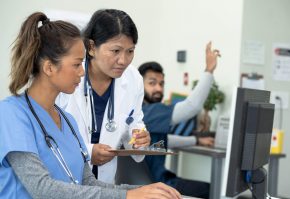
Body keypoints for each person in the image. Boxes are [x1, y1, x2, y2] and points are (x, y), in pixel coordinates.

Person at [0, 12, 182, 199]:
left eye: (130, 51)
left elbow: (88, 183)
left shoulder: (67, 121)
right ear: (49, 68)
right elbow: (43, 188)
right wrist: (128, 196)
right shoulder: (11, 113)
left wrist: (143, 191)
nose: (82, 72)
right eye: (78, 64)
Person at [56, 9, 151, 184]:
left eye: (130, 51)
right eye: (115, 51)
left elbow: (134, 120)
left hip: (104, 183)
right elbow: (50, 134)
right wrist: (89, 151)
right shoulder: (67, 75)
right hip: (64, 181)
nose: (123, 60)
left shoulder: (133, 79)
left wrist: (139, 137)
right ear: (91, 47)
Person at [138, 42, 220, 198]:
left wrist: (195, 140)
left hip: (157, 181)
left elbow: (162, 140)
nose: (159, 89)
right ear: (138, 86)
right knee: (213, 190)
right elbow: (192, 107)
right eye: (152, 83)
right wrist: (209, 70)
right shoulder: (149, 111)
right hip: (158, 185)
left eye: (161, 84)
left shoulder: (143, 113)